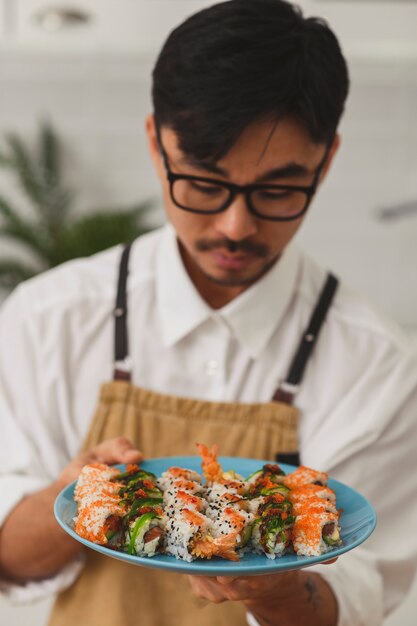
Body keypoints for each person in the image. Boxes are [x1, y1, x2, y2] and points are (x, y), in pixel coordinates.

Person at [0, 1, 416, 625]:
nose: (235, 226)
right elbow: (9, 556)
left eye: (277, 190)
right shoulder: (46, 318)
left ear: (326, 162)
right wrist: (77, 493)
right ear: (155, 143)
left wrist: (273, 588)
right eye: (203, 182)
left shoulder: (380, 365)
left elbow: (359, 601)